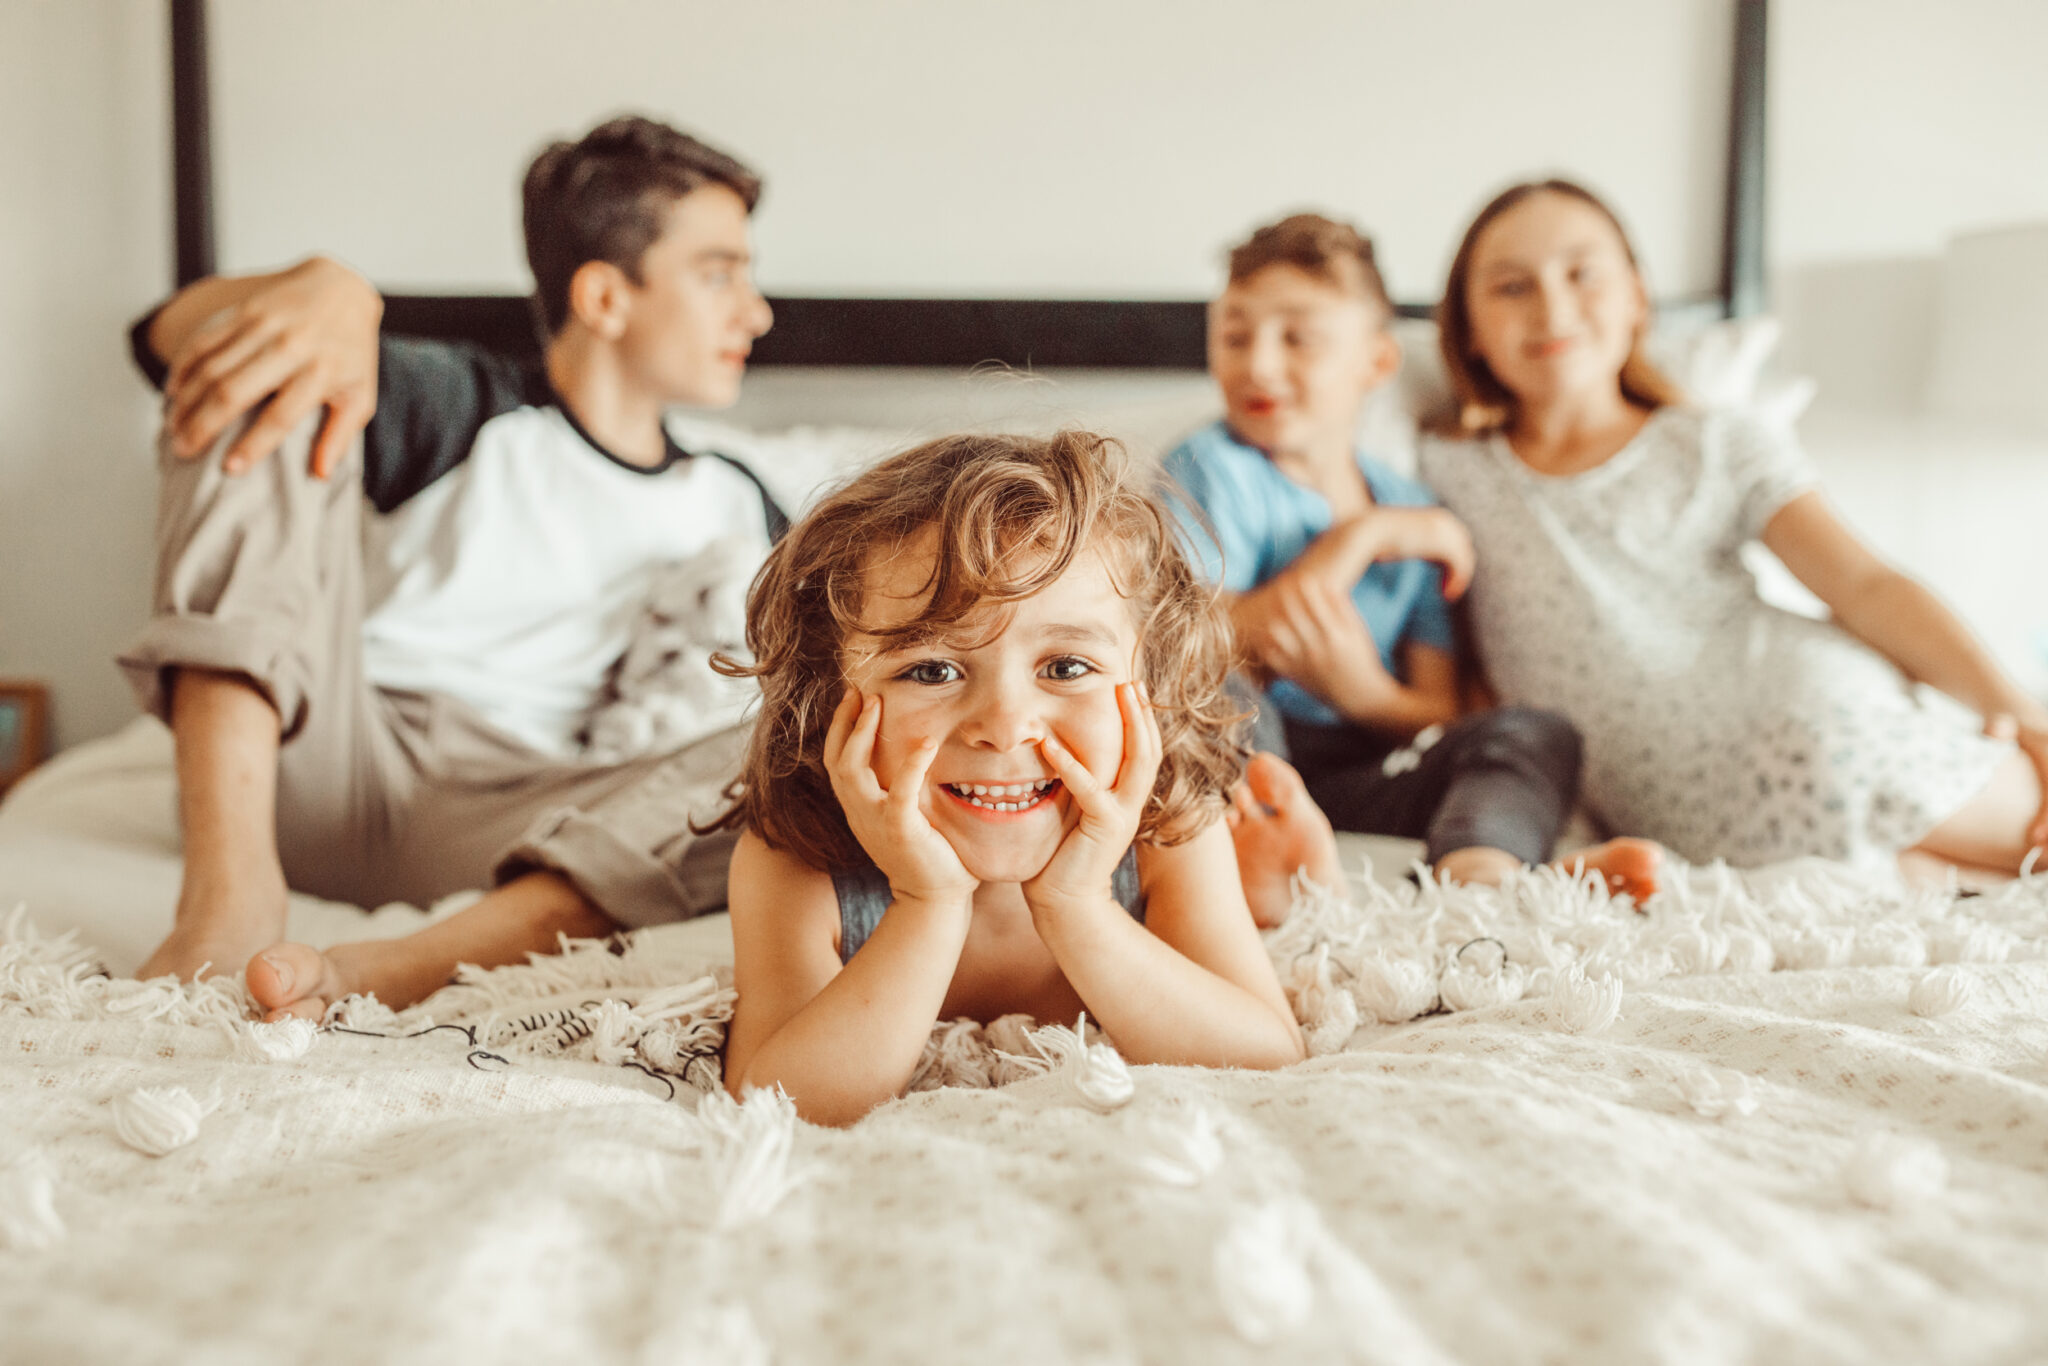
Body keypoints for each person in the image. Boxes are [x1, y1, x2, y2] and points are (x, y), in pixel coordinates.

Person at [121, 115, 781, 990]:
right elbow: (170, 342)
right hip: (333, 758)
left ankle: (398, 966)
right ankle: (227, 896)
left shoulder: (739, 499)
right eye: (718, 274)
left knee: (811, 744)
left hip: (539, 818)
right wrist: (324, 291)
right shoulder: (463, 404)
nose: (757, 311)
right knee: (272, 367)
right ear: (606, 299)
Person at [1418, 178, 2048, 882]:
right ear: (1467, 329)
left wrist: (2017, 707)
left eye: (1581, 274)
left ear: (1635, 297)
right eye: (1511, 287)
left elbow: (1864, 585)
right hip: (1671, 803)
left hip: (1818, 715)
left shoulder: (1715, 442)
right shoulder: (1448, 471)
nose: (1552, 306)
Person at [714, 430, 1309, 1125]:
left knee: (1243, 724)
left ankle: (1284, 847)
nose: (1004, 725)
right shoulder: (795, 863)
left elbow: (1270, 1057)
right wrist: (926, 904)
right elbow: (776, 1104)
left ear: (1146, 681)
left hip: (1221, 723)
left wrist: (1080, 903)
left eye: (1065, 667)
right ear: (828, 698)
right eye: (932, 670)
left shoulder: (1166, 828)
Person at [1165, 213, 1660, 921]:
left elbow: (1437, 707)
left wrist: (1362, 694)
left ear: (1376, 361)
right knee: (1225, 695)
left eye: (1297, 337)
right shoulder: (1211, 472)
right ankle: (1261, 874)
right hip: (1249, 757)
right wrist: (1360, 540)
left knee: (1530, 731)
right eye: (1235, 335)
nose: (1259, 364)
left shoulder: (1410, 503)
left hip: (1364, 771)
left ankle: (1478, 880)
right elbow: (1184, 655)